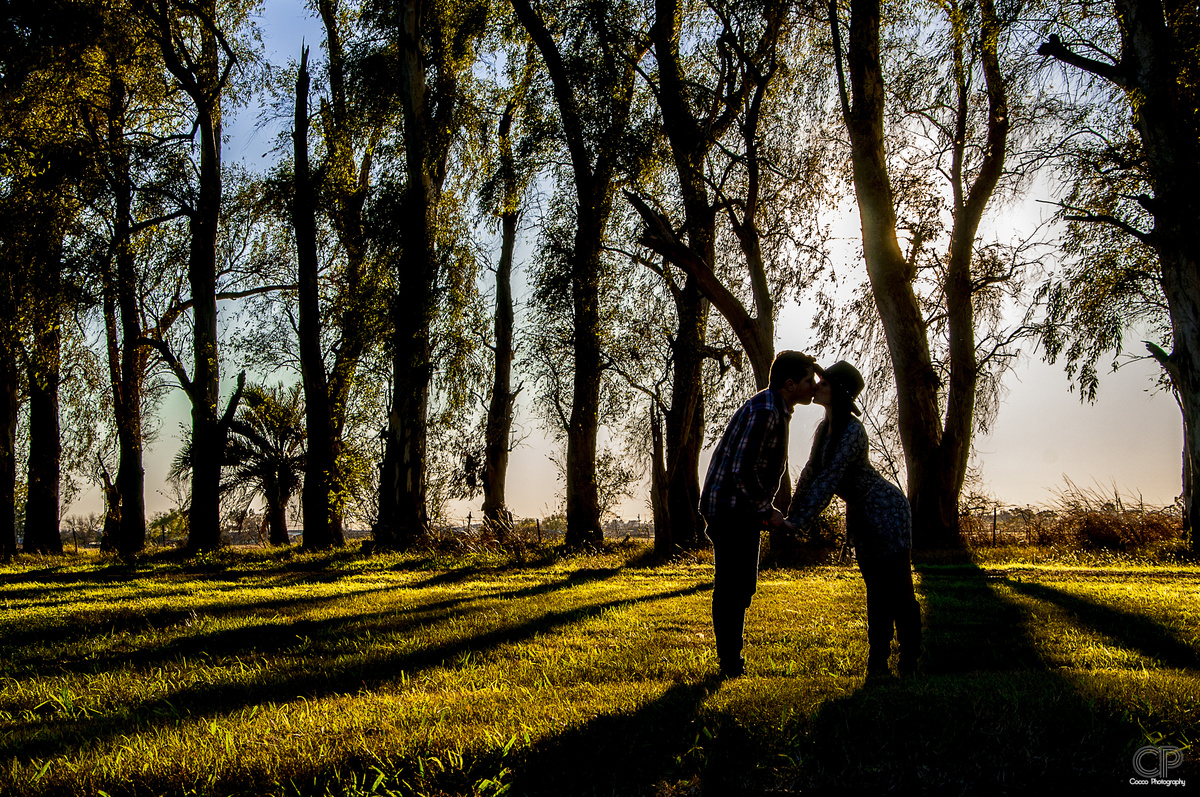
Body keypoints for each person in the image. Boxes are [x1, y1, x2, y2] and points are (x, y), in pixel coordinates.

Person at [786, 361, 921, 678]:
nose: (817, 385)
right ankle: (878, 665)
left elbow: (830, 479)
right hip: (861, 513)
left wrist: (799, 522)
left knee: (899, 589)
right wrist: (792, 514)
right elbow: (810, 474)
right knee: (874, 590)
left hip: (886, 509)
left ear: (839, 394)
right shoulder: (824, 430)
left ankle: (910, 659)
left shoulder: (852, 432)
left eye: (825, 383)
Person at [700, 350, 819, 678]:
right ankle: (730, 664)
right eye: (811, 380)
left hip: (741, 507)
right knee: (733, 587)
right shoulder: (766, 410)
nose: (815, 386)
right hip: (729, 508)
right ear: (791, 384)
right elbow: (742, 470)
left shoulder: (775, 407)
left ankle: (730, 659)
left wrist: (765, 511)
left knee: (742, 586)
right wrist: (768, 510)